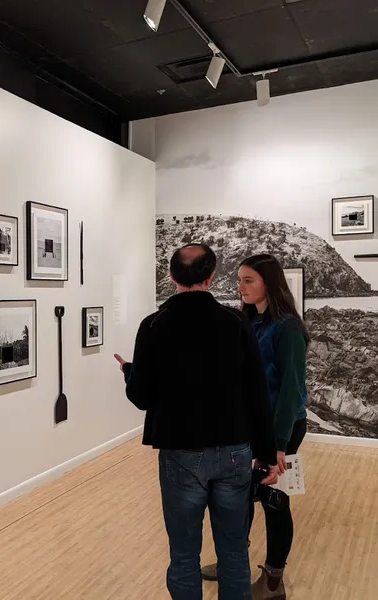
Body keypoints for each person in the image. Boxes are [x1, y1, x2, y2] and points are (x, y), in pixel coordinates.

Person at [114, 243, 279, 600]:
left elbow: (142, 396)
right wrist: (267, 451)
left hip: (181, 453)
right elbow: (256, 392)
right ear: (211, 276)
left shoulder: (154, 325)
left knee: (184, 554)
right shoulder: (236, 322)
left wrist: (130, 372)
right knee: (234, 553)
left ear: (172, 276)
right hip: (235, 451)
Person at [201, 254, 310, 600]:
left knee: (275, 500)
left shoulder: (287, 328)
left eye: (249, 280)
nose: (241, 286)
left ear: (269, 283)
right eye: (239, 280)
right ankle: (234, 561)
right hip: (246, 426)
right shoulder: (247, 321)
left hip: (281, 428)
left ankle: (274, 581)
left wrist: (277, 445)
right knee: (239, 496)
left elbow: (292, 390)